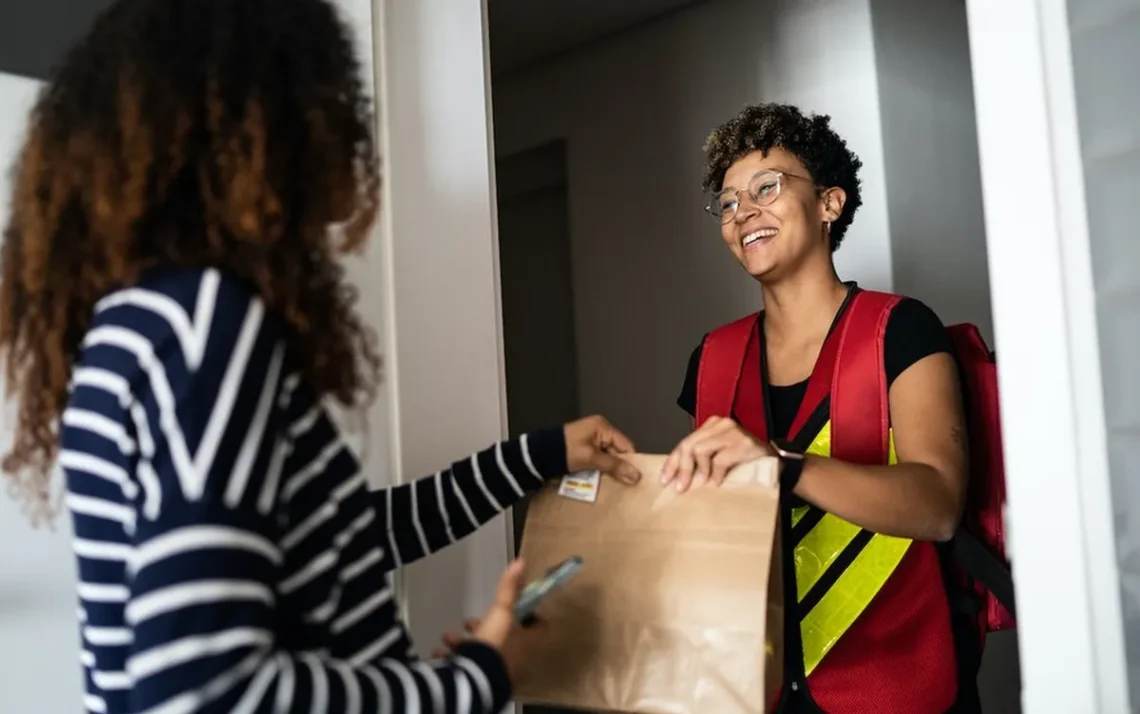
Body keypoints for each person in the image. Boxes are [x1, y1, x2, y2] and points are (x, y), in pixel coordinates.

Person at [0, 1, 643, 713]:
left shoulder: (138, 320)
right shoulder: (204, 325)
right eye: (331, 93)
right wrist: (476, 681)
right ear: (256, 119)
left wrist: (538, 454)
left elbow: (341, 537)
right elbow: (205, 693)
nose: (351, 124)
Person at [660, 104, 974, 712]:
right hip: (758, 690)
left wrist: (786, 466)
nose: (743, 212)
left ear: (830, 203)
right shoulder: (711, 359)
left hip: (895, 682)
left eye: (766, 188)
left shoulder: (900, 330)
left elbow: (938, 505)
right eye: (728, 203)